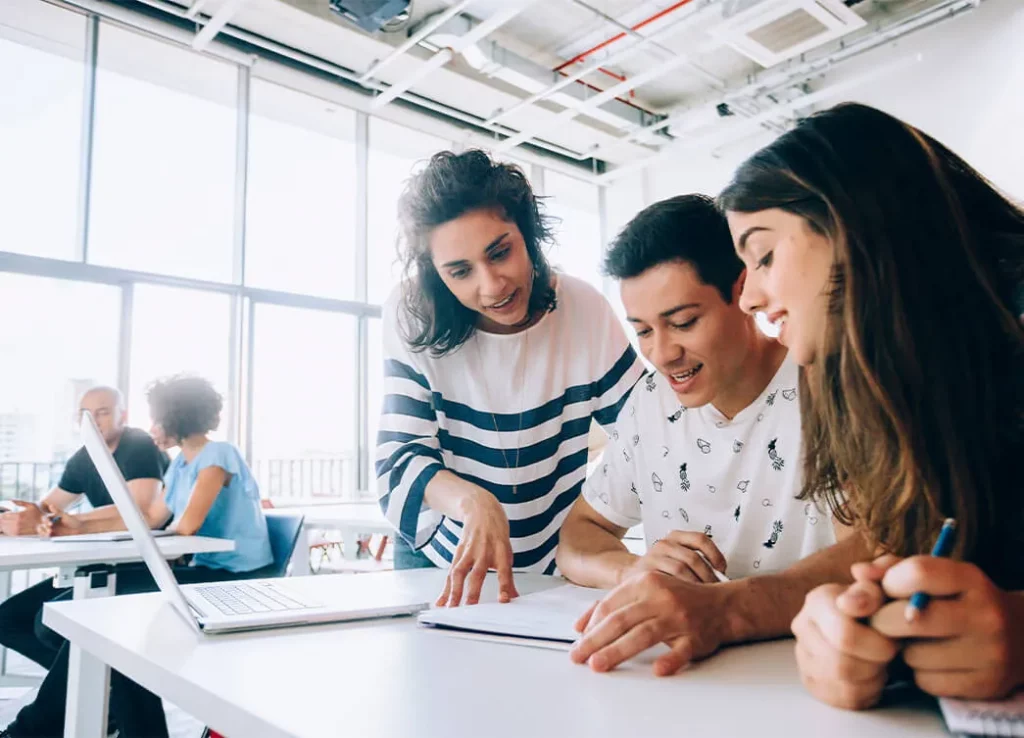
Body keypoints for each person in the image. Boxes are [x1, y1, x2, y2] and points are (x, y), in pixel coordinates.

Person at [719, 102, 1024, 709]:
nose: (749, 295)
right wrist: (853, 630)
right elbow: (885, 554)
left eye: (764, 255)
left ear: (851, 223)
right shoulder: (858, 383)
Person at [560, 195, 866, 677]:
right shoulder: (648, 404)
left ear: (742, 291)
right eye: (642, 331)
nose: (662, 354)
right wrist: (631, 570)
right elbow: (579, 536)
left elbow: (870, 549)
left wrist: (726, 606)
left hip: (802, 674)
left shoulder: (826, 383)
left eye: (683, 323)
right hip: (679, 678)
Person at [377, 149, 644, 606]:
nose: (492, 285)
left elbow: (649, 435)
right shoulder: (413, 315)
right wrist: (472, 502)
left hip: (553, 558)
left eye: (500, 252)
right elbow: (399, 460)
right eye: (460, 271)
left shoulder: (585, 310)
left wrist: (599, 523)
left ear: (529, 234)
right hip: (441, 559)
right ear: (438, 276)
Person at [1, 375, 273, 738]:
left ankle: (32, 731)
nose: (152, 428)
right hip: (200, 569)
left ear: (178, 417)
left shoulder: (219, 455)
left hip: (233, 579)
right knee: (86, 622)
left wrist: (94, 524)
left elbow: (187, 525)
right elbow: (156, 518)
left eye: (158, 418)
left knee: (94, 613)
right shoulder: (178, 467)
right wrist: (77, 524)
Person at [0, 386, 168, 671]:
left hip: (144, 565)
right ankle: (91, 695)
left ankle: (100, 694)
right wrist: (14, 516)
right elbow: (48, 507)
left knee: (49, 624)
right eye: (85, 414)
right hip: (101, 564)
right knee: (7, 619)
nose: (94, 421)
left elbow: (139, 511)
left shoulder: (139, 444)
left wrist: (63, 522)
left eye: (102, 412)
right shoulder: (84, 457)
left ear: (122, 415)